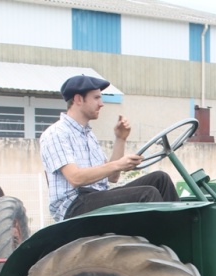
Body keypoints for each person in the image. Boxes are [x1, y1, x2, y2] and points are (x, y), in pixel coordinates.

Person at [41, 74, 179, 222]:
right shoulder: (56, 133)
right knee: (147, 194)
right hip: (73, 206)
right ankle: (163, 242)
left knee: (160, 179)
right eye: (96, 98)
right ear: (78, 99)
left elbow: (112, 177)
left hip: (95, 197)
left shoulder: (88, 135)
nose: (101, 104)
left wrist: (120, 139)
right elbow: (75, 178)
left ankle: (182, 233)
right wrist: (119, 164)